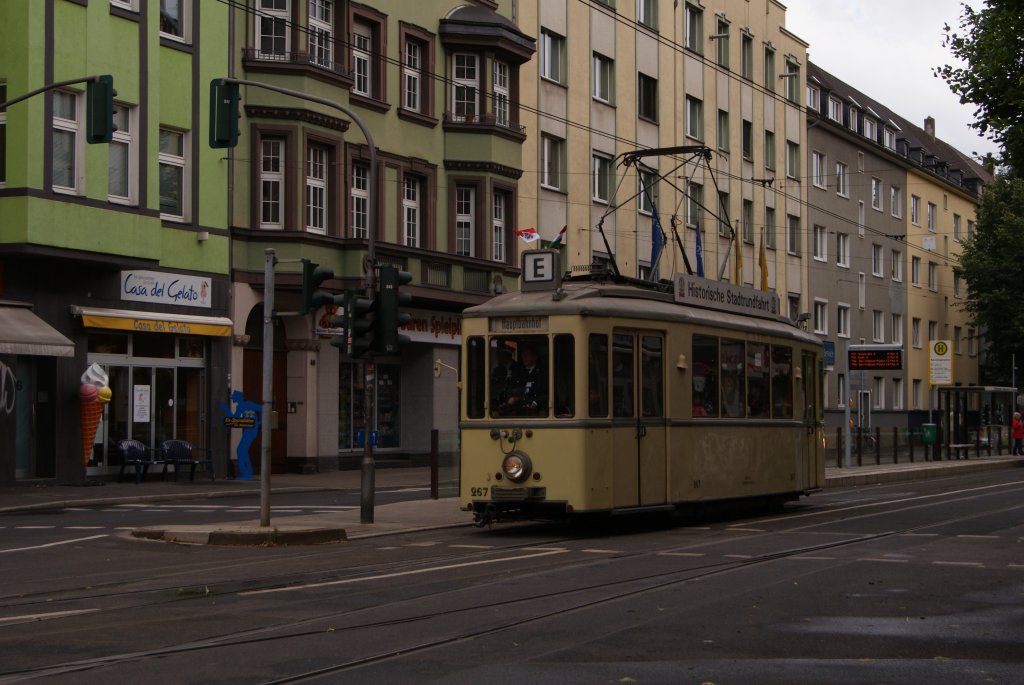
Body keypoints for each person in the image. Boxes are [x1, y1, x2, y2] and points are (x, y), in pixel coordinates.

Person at [508, 343, 547, 415]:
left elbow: (545, 393)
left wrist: (536, 402)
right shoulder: (518, 373)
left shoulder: (541, 373)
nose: (524, 357)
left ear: (535, 357)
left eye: (527, 355)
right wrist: (512, 398)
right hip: (519, 410)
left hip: (536, 411)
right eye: (523, 355)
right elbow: (512, 389)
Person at [490, 346, 521, 413]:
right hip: (499, 406)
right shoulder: (497, 370)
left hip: (514, 406)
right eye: (498, 355)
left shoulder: (519, 369)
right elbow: (494, 389)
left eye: (501, 354)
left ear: (508, 355)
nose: (498, 357)